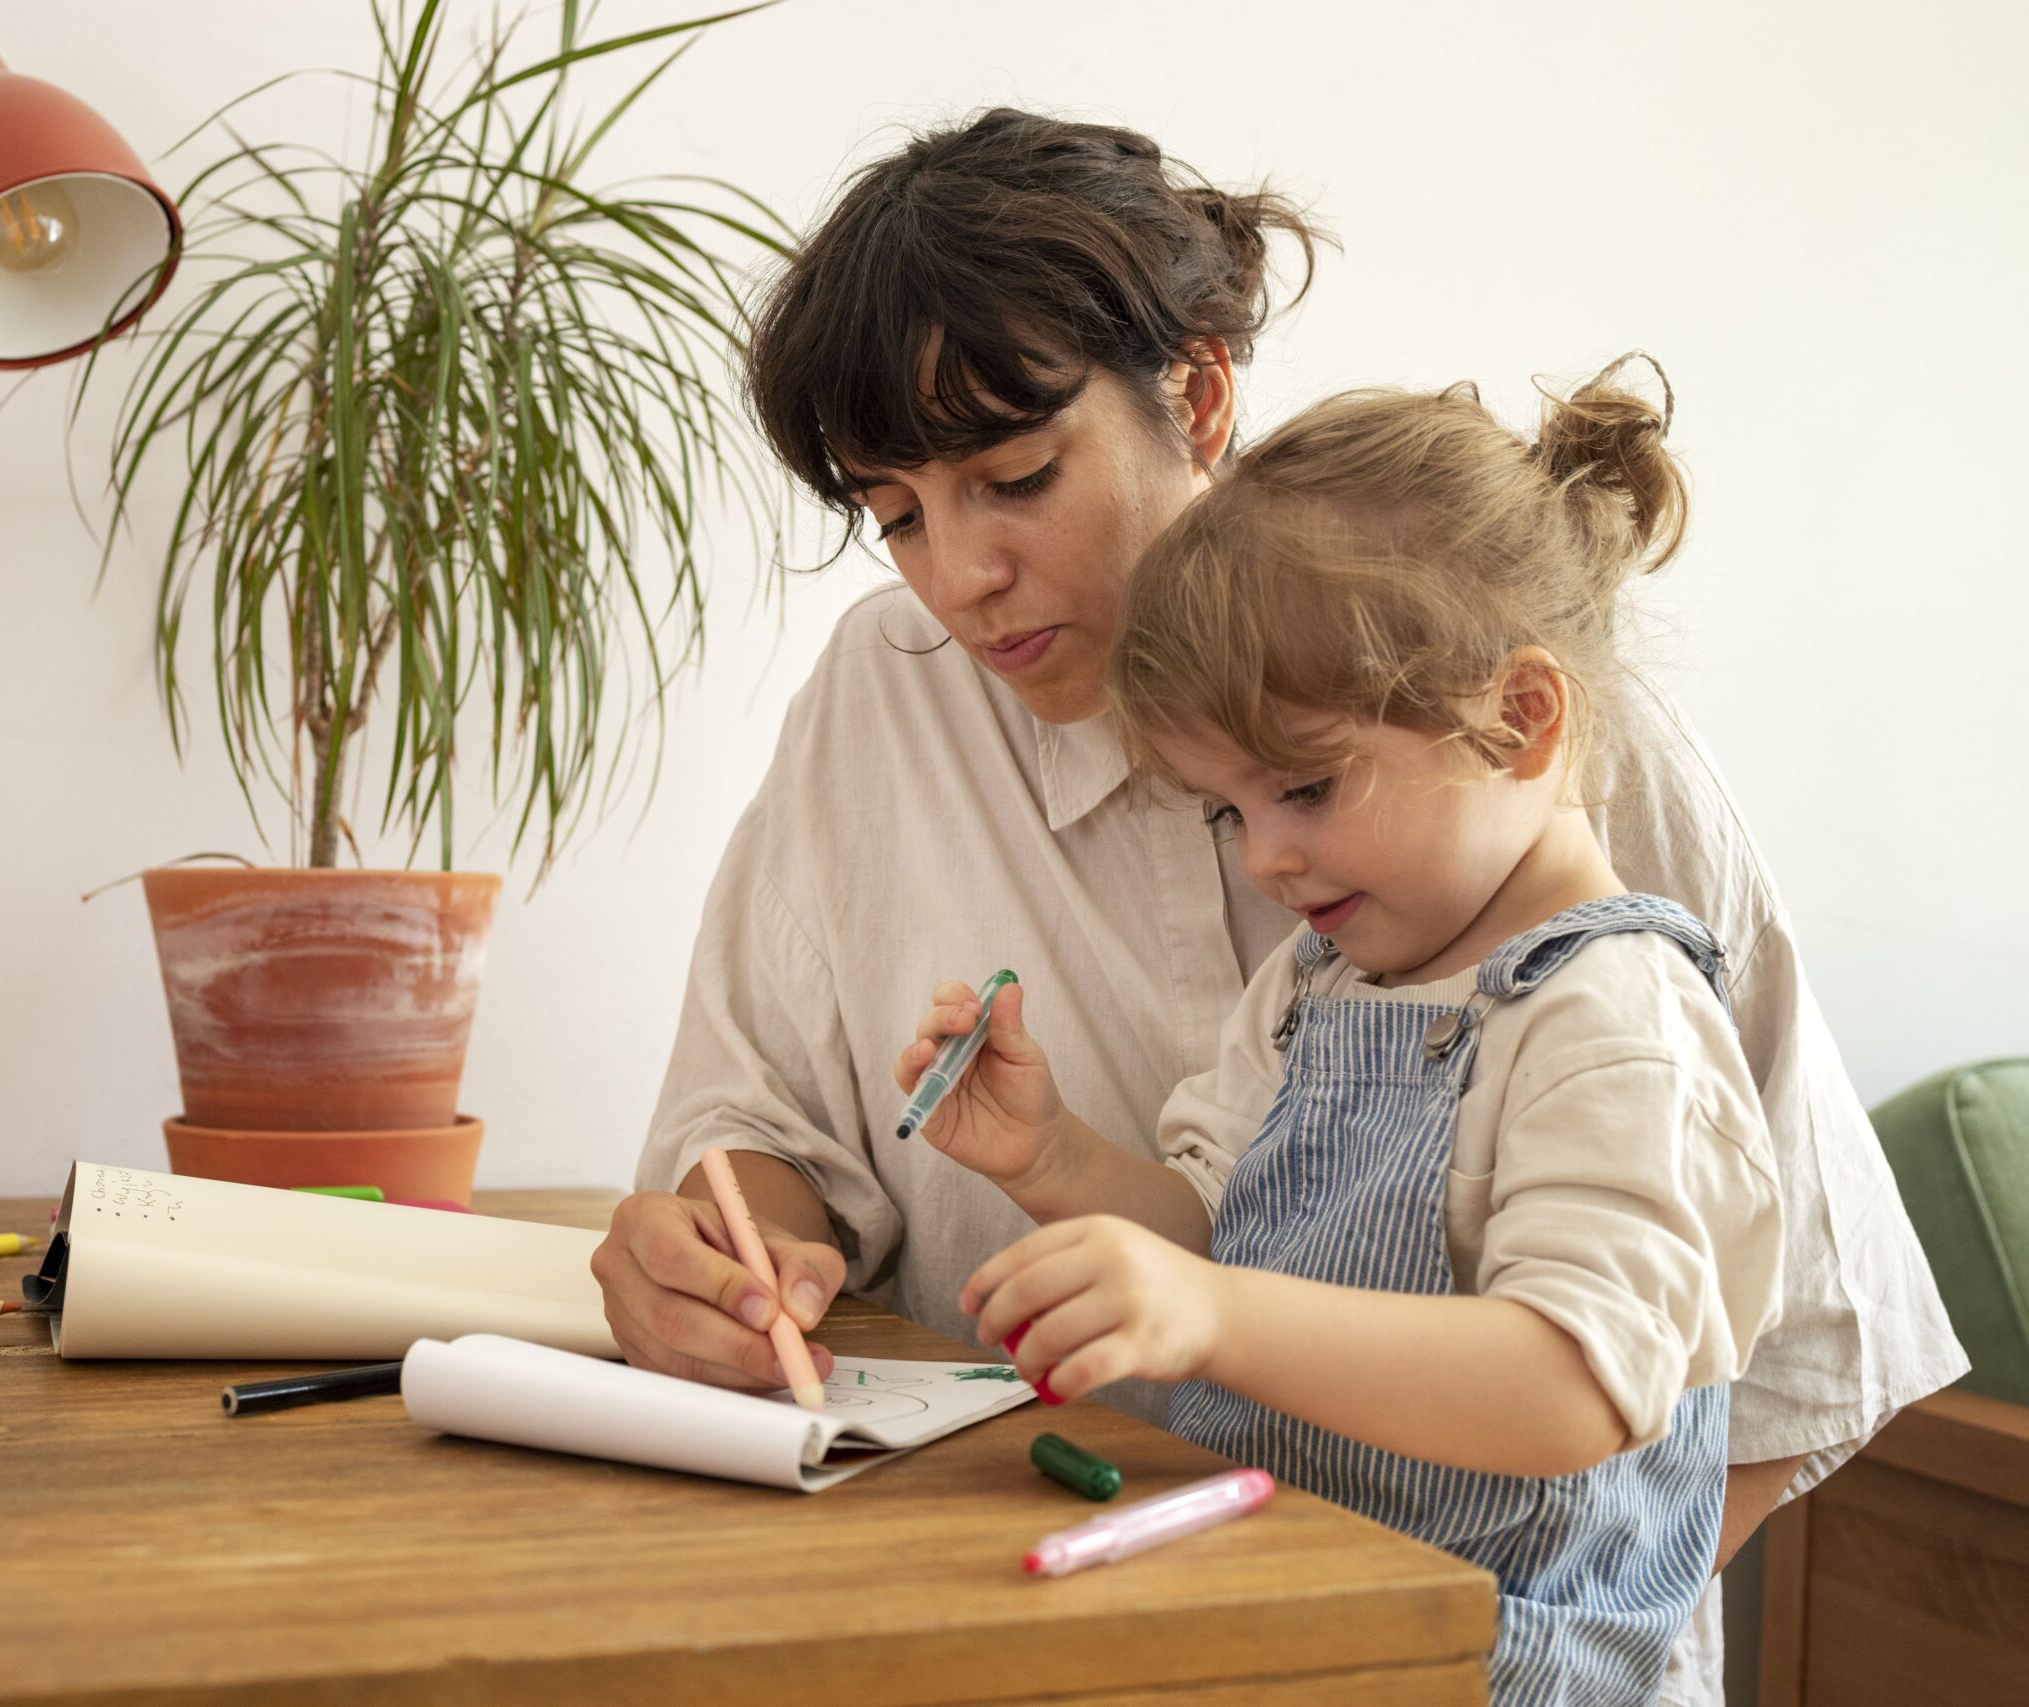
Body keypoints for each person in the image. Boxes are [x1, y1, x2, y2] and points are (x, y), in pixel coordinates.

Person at [600, 108, 1964, 1702]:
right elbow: (806, 1144)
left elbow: (1789, 1356)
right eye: (894, 513)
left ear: (1197, 389)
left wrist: (1441, 1630)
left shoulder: (1553, 790)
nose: (955, 577)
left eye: (1016, 477)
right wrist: (837, 1223)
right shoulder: (1258, 952)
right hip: (1128, 1622)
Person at [908, 363, 1781, 1705]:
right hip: (1310, 1623)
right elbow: (1218, 1220)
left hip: (1493, 1669)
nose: (1268, 857)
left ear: (1519, 721)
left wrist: (1212, 1318)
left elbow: (1571, 1389)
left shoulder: (1618, 1021)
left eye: (1305, 786)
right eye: (1231, 811)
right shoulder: (1324, 983)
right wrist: (1051, 1159)